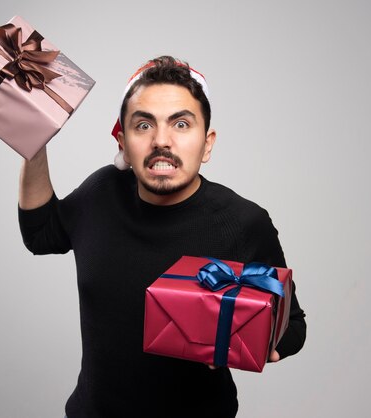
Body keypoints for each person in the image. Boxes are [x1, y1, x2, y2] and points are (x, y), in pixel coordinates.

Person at [18, 56, 306, 418]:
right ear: (123, 142)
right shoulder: (101, 192)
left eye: (181, 124)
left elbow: (293, 325)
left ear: (207, 143)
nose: (161, 141)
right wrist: (34, 145)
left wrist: (254, 341)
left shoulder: (243, 221)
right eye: (143, 125)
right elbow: (41, 234)